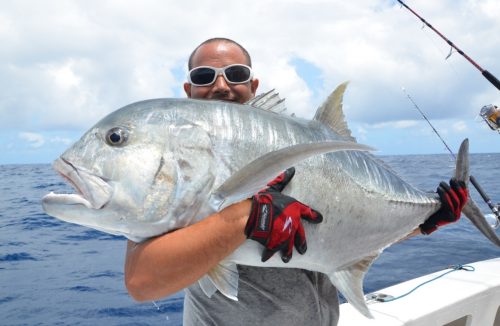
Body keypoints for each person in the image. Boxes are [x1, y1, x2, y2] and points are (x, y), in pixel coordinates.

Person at [124, 37, 468, 325]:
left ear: (253, 85)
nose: (221, 85)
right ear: (188, 90)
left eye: (235, 74)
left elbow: (345, 229)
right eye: (204, 76)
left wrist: (425, 222)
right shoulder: (179, 167)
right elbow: (142, 282)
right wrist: (247, 216)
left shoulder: (302, 149)